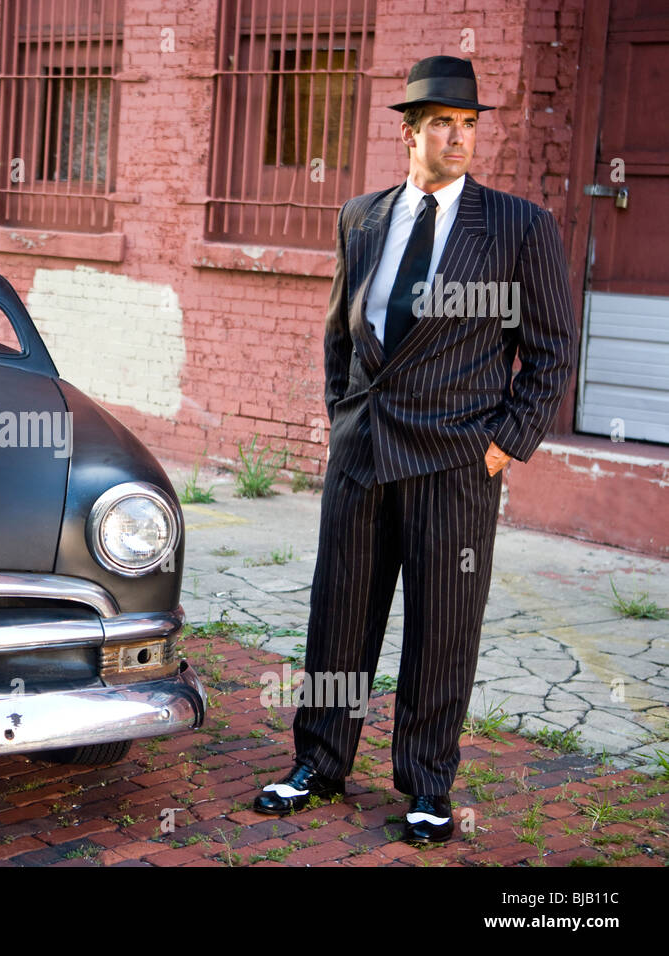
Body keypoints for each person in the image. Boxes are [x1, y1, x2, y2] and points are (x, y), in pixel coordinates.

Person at [252, 55, 576, 843]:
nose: (458, 138)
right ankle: (319, 764)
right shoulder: (363, 216)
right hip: (364, 456)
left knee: (442, 629)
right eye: (443, 124)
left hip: (455, 462)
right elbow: (341, 334)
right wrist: (343, 419)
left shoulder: (517, 226)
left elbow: (553, 351)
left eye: (468, 125)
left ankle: (427, 785)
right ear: (410, 132)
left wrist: (503, 446)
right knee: (338, 619)